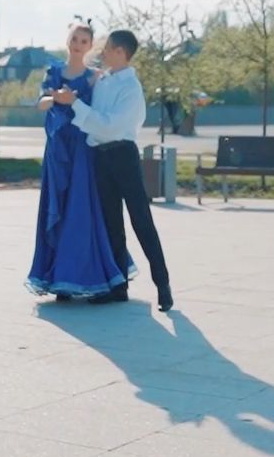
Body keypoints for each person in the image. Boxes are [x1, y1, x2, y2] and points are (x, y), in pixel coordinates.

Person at [51, 29, 173, 312]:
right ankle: (119, 286)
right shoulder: (103, 80)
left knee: (141, 220)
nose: (102, 51)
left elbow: (111, 126)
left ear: (120, 52)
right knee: (111, 223)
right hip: (100, 157)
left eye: (107, 48)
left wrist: (76, 104)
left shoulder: (131, 88)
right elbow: (94, 116)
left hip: (123, 156)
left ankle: (163, 284)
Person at [27, 20, 130, 301]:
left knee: (79, 210)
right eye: (75, 39)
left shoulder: (94, 76)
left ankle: (76, 277)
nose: (78, 45)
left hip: (82, 149)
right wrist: (55, 99)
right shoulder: (53, 71)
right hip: (57, 149)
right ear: (68, 39)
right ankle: (56, 278)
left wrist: (73, 102)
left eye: (84, 41)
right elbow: (40, 103)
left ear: (90, 46)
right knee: (56, 207)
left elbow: (101, 110)